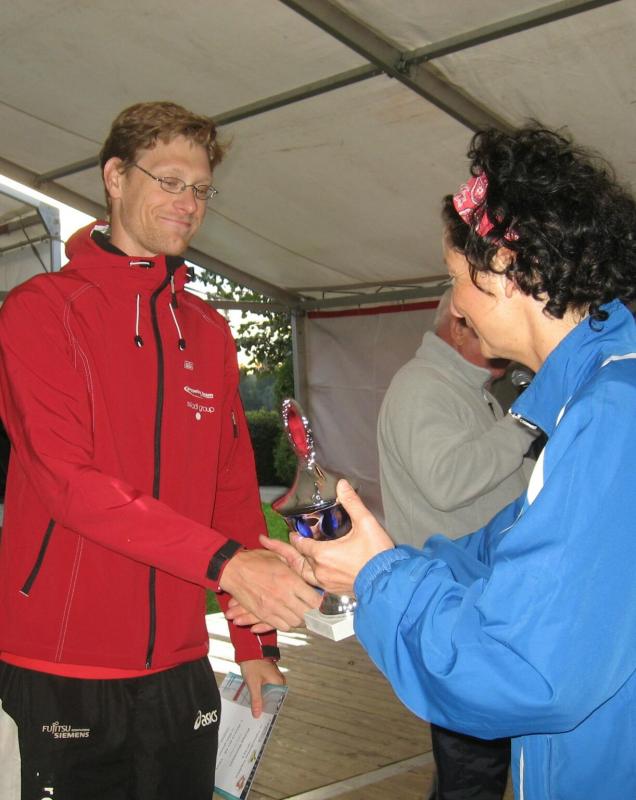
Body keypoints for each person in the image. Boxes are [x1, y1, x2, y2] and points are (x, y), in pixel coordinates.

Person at [243, 124, 636, 799]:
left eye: (457, 278)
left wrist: (378, 574)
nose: (454, 304)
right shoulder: (599, 396)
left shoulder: (611, 413)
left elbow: (521, 671)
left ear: (508, 268)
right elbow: (500, 550)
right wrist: (361, 567)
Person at [0, 101, 320, 800]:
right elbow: (68, 482)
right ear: (116, 177)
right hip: (64, 663)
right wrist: (226, 564)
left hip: (180, 662)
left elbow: (230, 493)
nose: (188, 202)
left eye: (200, 188)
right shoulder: (41, 310)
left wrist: (254, 644)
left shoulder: (207, 331)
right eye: (169, 181)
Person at [378, 288, 537, 800]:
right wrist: (523, 423)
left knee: (472, 773)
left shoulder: (470, 390)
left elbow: (504, 484)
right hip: (458, 612)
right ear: (460, 324)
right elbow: (447, 482)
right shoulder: (421, 385)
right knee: (472, 774)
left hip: (481, 604)